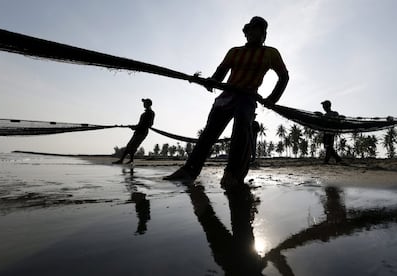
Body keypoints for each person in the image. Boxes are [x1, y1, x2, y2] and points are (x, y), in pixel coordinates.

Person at [164, 16, 289, 189]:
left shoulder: (270, 53)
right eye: (252, 30)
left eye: (260, 31)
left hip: (247, 98)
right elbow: (220, 74)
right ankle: (189, 170)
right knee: (208, 134)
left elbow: (284, 76)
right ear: (246, 33)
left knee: (240, 134)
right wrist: (210, 82)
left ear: (264, 35)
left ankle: (232, 174)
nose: (255, 34)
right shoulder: (234, 51)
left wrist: (272, 99)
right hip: (226, 98)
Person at [113, 98, 155, 165]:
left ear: (149, 104)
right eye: (143, 103)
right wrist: (134, 127)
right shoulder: (143, 114)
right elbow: (140, 124)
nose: (144, 104)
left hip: (142, 132)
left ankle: (125, 160)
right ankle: (127, 160)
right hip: (138, 131)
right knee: (129, 145)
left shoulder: (151, 113)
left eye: (145, 103)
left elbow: (150, 124)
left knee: (133, 146)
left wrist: (136, 127)